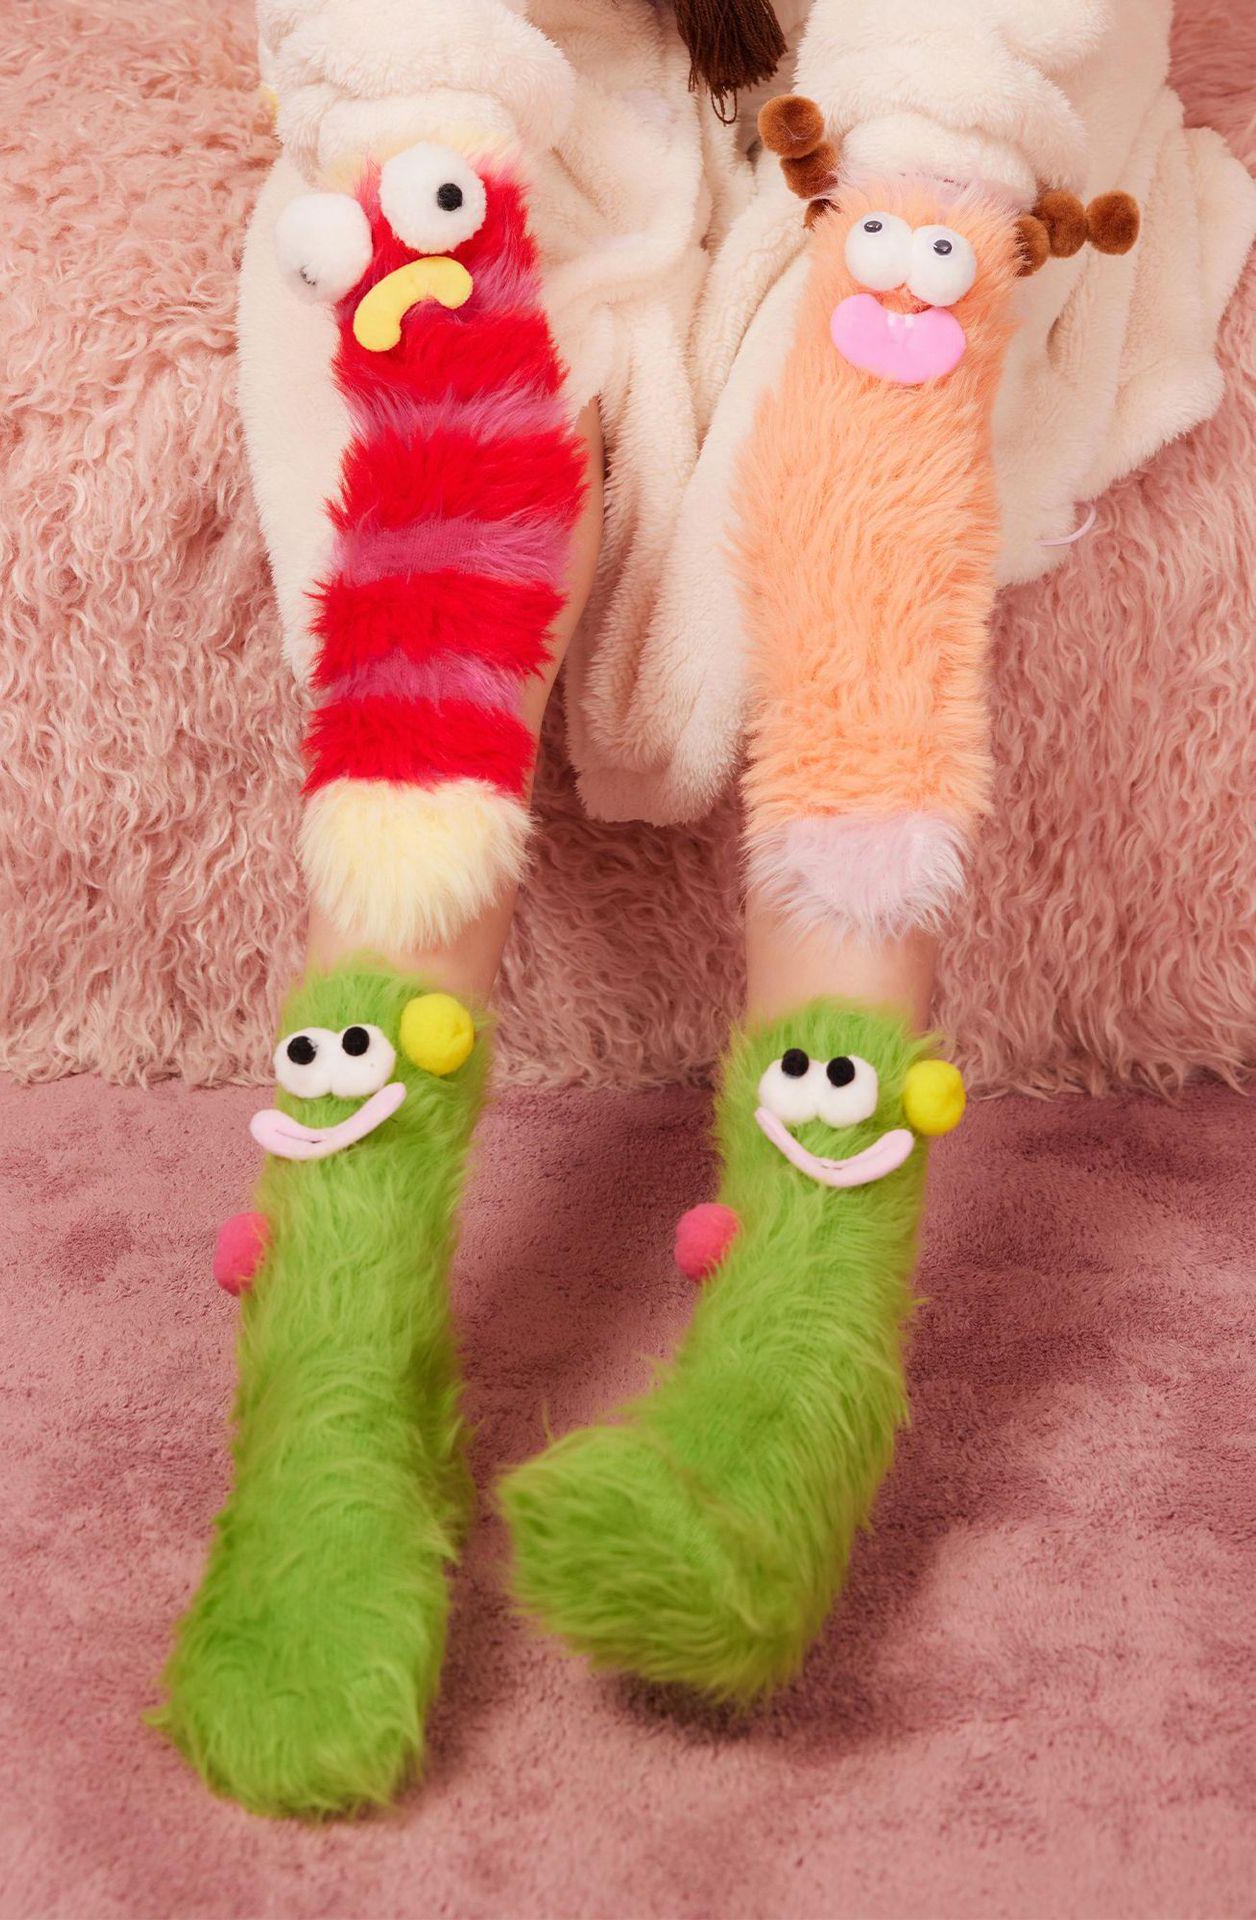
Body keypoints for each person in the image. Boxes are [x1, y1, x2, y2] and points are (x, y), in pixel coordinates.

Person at [154, 0, 1256, 1817]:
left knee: (876, 438)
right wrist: (433, 173)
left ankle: (799, 1355)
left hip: (932, 64)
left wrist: (934, 182)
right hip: (538, 69)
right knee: (459, 473)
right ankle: (335, 1365)